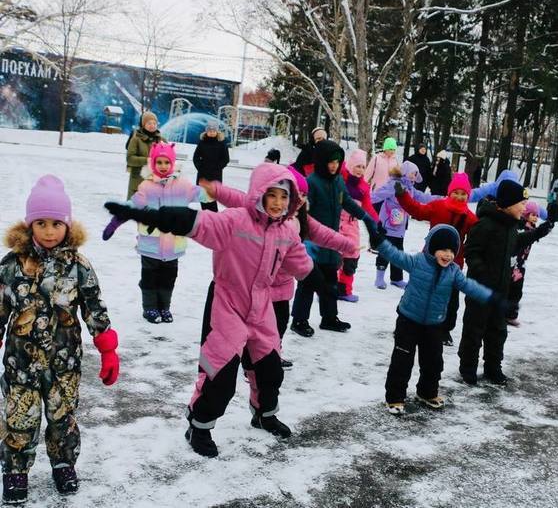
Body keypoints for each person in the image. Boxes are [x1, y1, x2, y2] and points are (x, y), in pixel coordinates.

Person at [105, 163, 321, 456]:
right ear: (259, 194)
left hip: (261, 305)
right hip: (227, 301)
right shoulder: (235, 221)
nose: (278, 203)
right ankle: (199, 425)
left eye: (284, 197)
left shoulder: (286, 232)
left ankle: (264, 414)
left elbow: (301, 263)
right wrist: (145, 215)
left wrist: (323, 282)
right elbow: (197, 223)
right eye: (272, 195)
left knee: (270, 368)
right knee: (220, 372)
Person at [0, 175, 119, 502]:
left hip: (64, 363)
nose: (49, 231)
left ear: (67, 225)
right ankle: (15, 471)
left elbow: (94, 306)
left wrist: (107, 348)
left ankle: (64, 462)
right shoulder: (12, 266)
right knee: (18, 420)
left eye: (56, 223)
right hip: (20, 363)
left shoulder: (78, 266)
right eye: (41, 223)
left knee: (62, 419)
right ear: (29, 225)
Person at [198, 166, 356, 371]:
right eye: (295, 192)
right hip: (260, 288)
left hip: (283, 287)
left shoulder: (301, 219)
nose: (297, 197)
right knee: (249, 331)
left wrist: (349, 245)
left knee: (277, 328)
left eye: (301, 194)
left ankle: (269, 359)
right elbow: (239, 198)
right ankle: (249, 363)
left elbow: (326, 235)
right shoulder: (259, 212)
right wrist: (216, 190)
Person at [367, 223, 509, 415]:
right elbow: (395, 255)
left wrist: (493, 298)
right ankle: (395, 397)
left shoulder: (453, 272)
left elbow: (470, 286)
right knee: (402, 360)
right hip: (408, 320)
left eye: (452, 250)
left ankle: (427, 393)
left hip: (434, 324)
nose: (448, 254)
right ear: (432, 248)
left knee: (433, 361)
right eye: (443, 249)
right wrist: (380, 242)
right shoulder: (417, 262)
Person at [459, 179, 553, 385]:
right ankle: (468, 368)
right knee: (474, 330)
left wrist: (537, 233)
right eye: (521, 203)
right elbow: (471, 251)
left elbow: (515, 243)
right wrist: (482, 272)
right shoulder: (485, 225)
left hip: (501, 291)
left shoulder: (510, 227)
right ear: (509, 203)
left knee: (498, 331)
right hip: (480, 291)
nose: (523, 208)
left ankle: (493, 368)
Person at [290, 140, 377, 336]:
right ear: (321, 161)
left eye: (337, 162)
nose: (334, 166)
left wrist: (367, 218)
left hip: (332, 241)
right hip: (313, 242)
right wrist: (304, 239)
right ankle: (299, 320)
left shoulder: (338, 181)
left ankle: (329, 318)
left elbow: (347, 201)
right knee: (308, 281)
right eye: (330, 162)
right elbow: (302, 213)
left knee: (330, 279)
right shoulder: (312, 183)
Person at [396, 172, 477, 346]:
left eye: (463, 194)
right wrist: (402, 195)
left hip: (453, 265)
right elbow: (417, 210)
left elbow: (477, 237)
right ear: (449, 192)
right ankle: (406, 321)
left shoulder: (470, 218)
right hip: (428, 261)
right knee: (417, 292)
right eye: (456, 192)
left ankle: (444, 329)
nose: (459, 197)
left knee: (450, 299)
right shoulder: (438, 206)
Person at [126, 143, 204, 324]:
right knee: (149, 278)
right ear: (153, 164)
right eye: (159, 162)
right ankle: (150, 308)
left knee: (168, 279)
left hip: (173, 244)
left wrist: (212, 191)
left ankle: (164, 308)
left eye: (166, 162)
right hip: (150, 245)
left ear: (172, 163)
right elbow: (134, 205)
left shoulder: (182, 185)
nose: (162, 166)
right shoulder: (146, 186)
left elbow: (199, 194)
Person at [371, 162, 436, 290]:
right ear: (405, 172)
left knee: (399, 252)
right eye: (412, 173)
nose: (414, 176)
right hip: (387, 225)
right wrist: (362, 200)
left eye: (416, 174)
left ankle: (396, 278)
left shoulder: (411, 189)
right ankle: (379, 277)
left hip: (400, 227)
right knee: (385, 251)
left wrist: (441, 199)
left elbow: (423, 197)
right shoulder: (395, 184)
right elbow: (378, 195)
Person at [337, 150, 379, 302]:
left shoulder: (363, 188)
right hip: (335, 223)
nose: (360, 170)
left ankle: (344, 290)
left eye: (363, 167)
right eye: (357, 166)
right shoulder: (340, 180)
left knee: (351, 257)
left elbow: (368, 208)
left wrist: (377, 223)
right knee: (332, 258)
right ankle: (327, 289)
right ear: (350, 165)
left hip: (352, 225)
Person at [506, 201, 550, 327]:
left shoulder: (532, 228)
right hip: (513, 263)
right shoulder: (521, 227)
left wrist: (548, 225)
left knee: (517, 290)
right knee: (509, 289)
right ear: (525, 215)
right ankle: (504, 313)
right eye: (532, 215)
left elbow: (538, 234)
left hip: (521, 265)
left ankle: (510, 314)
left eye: (537, 215)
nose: (535, 217)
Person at [193, 121, 230, 212]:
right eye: (210, 130)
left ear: (217, 132)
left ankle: (214, 216)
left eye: (214, 131)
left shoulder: (221, 143)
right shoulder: (202, 143)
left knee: (212, 197)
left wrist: (218, 167)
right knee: (203, 197)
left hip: (215, 175)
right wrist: (200, 167)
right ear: (206, 132)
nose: (212, 132)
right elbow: (196, 157)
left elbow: (225, 159)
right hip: (203, 174)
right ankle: (205, 216)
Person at [126, 111, 164, 199]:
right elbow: (130, 159)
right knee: (135, 210)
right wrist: (147, 160)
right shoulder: (136, 140)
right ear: (143, 124)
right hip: (138, 181)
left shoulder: (161, 140)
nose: (152, 125)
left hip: (155, 182)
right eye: (149, 123)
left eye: (154, 123)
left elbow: (169, 158)